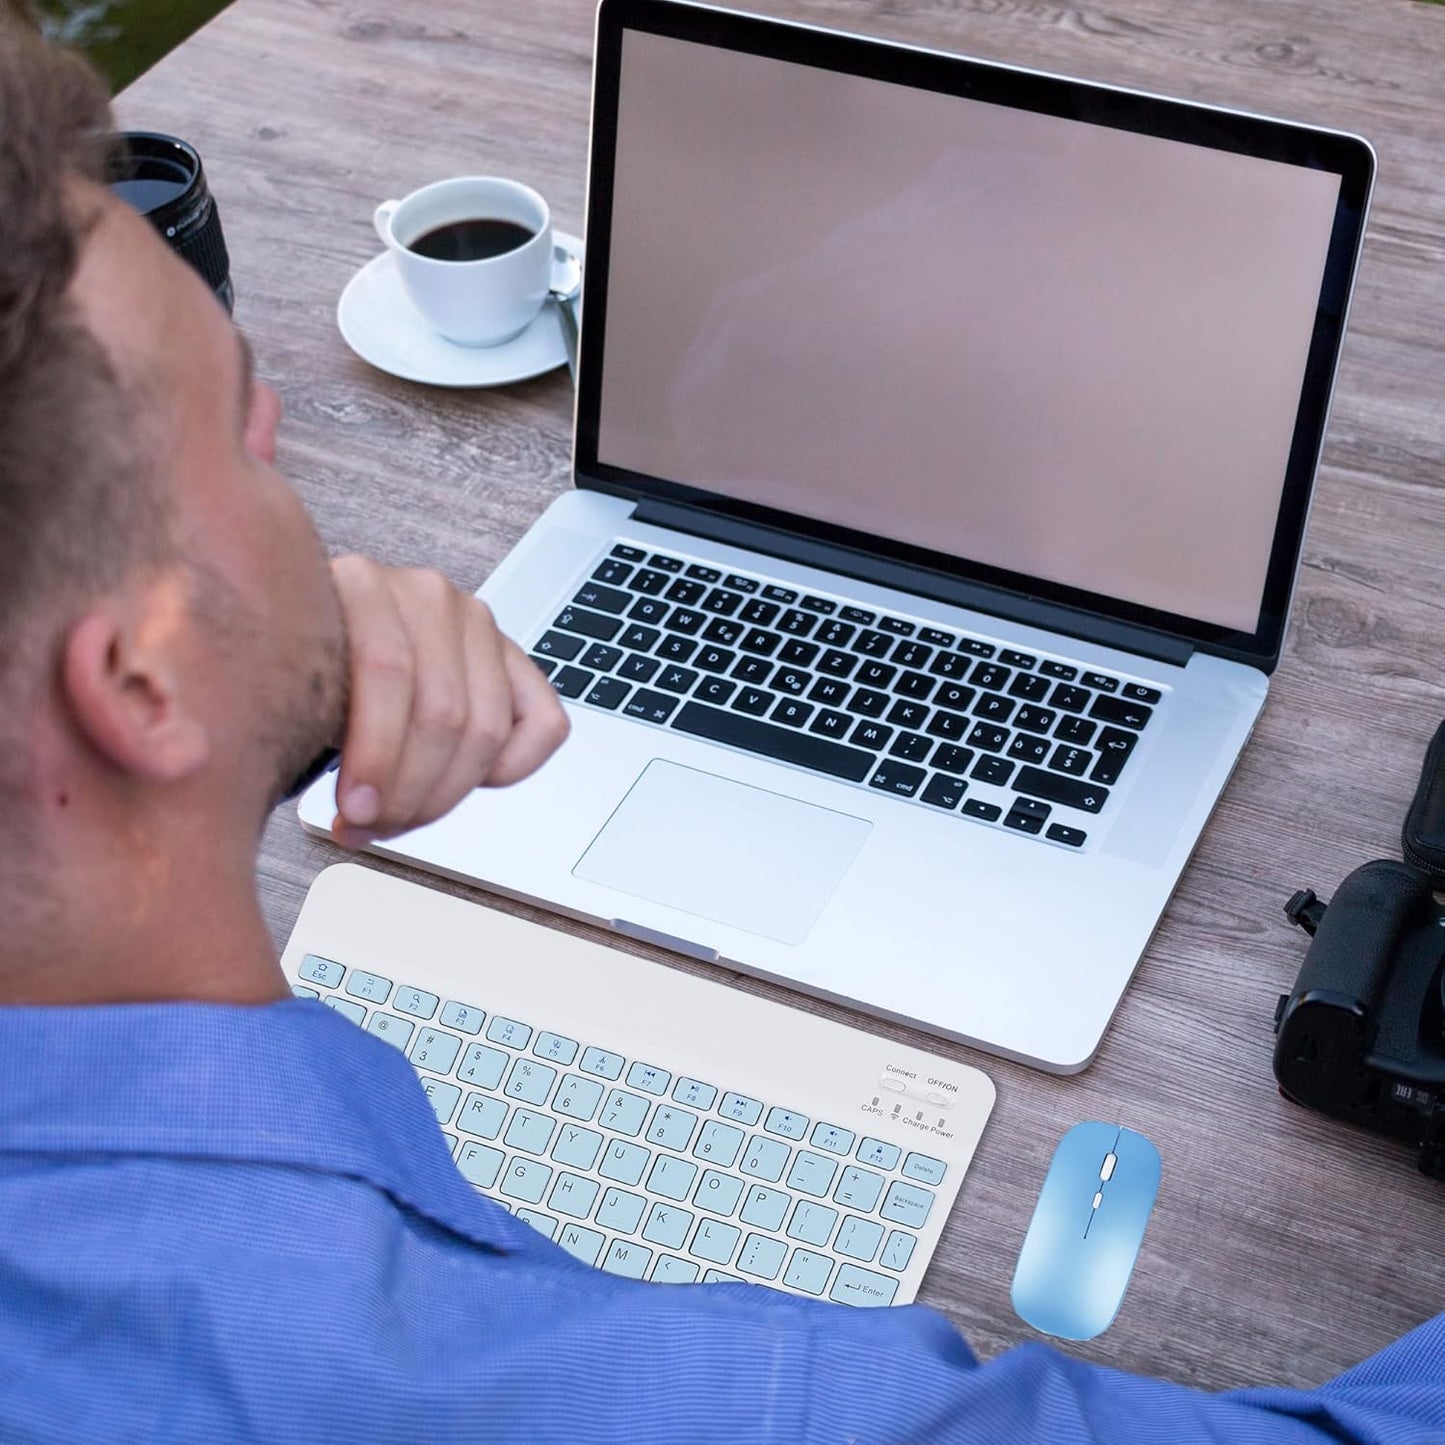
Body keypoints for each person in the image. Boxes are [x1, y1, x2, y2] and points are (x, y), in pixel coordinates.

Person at [0, 10, 1441, 1441]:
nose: (282, 443)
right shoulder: (669, 1396)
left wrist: (272, 687)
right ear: (137, 689)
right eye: (242, 429)